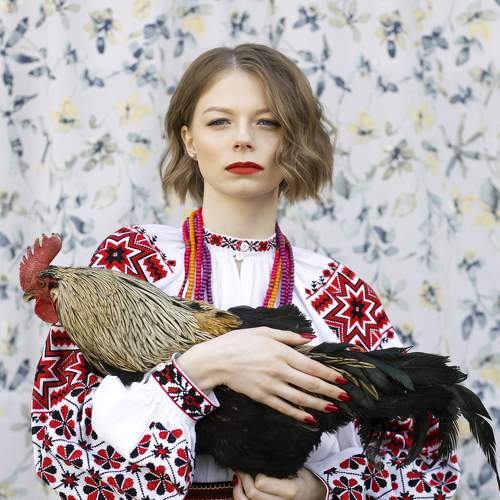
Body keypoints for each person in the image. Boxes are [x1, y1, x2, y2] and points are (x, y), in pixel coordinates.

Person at [31, 44, 461, 499]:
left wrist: (320, 490)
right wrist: (201, 367)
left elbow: (426, 465)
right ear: (189, 140)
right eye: (219, 121)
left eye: (268, 122)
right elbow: (60, 439)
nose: (243, 139)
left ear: (293, 140)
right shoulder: (132, 259)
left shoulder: (336, 289)